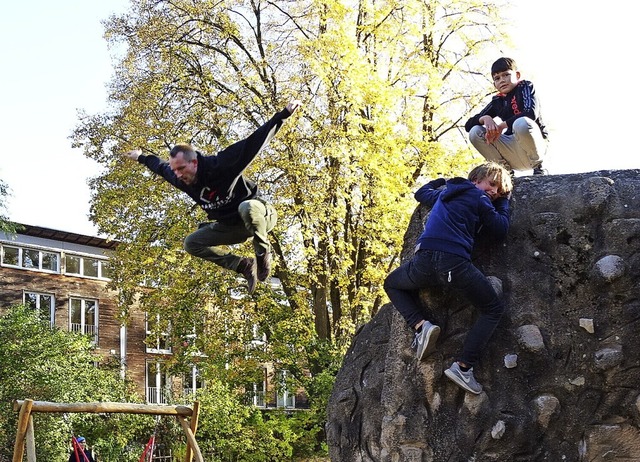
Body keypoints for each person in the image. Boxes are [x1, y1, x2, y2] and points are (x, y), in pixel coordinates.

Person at [124, 100, 301, 294]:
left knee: (246, 208)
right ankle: (243, 265)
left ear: (195, 163)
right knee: (191, 243)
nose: (179, 175)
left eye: (182, 169)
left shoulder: (221, 165)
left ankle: (261, 251)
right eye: (175, 171)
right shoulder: (179, 178)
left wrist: (283, 115)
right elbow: (159, 167)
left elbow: (253, 143)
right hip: (232, 227)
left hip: (261, 215)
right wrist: (140, 157)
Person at [383, 162, 512, 394]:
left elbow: (421, 193)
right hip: (453, 262)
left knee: (392, 283)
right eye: (492, 185)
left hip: (423, 261)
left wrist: (440, 181)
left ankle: (420, 325)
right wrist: (504, 202)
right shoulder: (480, 199)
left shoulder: (446, 194)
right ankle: (463, 367)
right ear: (476, 180)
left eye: (499, 191)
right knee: (493, 309)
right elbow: (500, 228)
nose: (494, 192)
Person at [465, 57, 548, 175]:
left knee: (521, 123)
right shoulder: (498, 100)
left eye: (506, 75)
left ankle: (539, 167)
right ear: (494, 84)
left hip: (534, 147)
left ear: (517, 75)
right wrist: (485, 118)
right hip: (512, 150)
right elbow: (468, 126)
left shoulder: (525, 87)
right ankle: (505, 172)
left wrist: (502, 126)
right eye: (497, 78)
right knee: (475, 131)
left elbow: (530, 113)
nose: (502, 80)